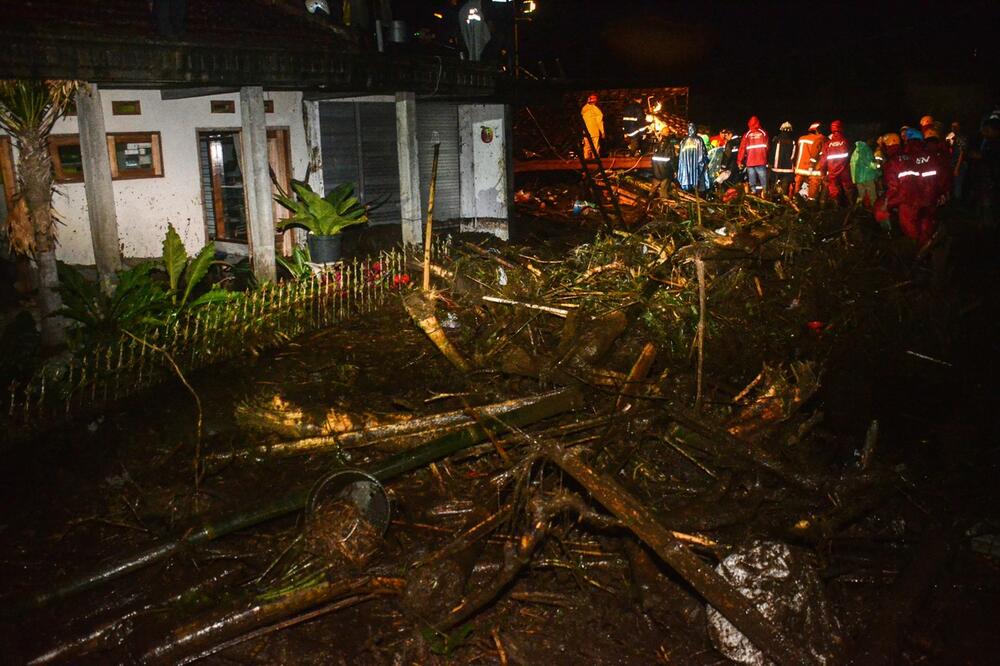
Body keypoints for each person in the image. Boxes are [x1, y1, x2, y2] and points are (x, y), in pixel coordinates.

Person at [884, 128, 937, 245]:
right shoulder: (929, 156)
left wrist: (890, 202)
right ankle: (927, 248)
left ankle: (917, 250)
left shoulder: (904, 157)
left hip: (910, 199)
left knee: (910, 227)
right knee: (926, 224)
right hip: (929, 198)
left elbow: (899, 184)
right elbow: (936, 178)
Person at [818, 119, 853, 205]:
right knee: (848, 189)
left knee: (834, 190)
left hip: (832, 171)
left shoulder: (828, 144)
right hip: (845, 170)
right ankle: (851, 207)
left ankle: (836, 208)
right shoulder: (846, 142)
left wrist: (822, 173)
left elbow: (823, 160)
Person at [737, 116, 769, 196]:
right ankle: (764, 193)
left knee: (752, 180)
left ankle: (753, 193)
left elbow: (742, 148)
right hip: (761, 160)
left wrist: (739, 161)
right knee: (763, 179)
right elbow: (767, 147)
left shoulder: (747, 134)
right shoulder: (763, 133)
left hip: (750, 162)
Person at [793, 122, 826, 200]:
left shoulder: (801, 138)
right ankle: (810, 203)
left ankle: (795, 200)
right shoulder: (819, 139)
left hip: (800, 167)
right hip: (814, 168)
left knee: (798, 185)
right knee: (813, 186)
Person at [677, 122, 708, 194]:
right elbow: (703, 155)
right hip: (696, 173)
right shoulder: (699, 140)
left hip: (685, 174)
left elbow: (680, 158)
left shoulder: (683, 141)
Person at [850, 139, 880, 208]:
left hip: (858, 177)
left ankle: (857, 209)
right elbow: (867, 161)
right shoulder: (865, 148)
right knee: (872, 194)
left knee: (861, 195)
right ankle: (874, 209)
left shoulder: (856, 150)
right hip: (867, 176)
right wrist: (876, 166)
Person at [770, 121, 797, 197]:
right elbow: (794, 155)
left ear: (781, 129)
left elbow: (772, 152)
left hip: (776, 169)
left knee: (773, 188)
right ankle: (783, 203)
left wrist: (770, 163)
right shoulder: (793, 142)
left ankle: (773, 201)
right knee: (784, 192)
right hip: (788, 170)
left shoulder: (776, 140)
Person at [651, 130, 679, 197]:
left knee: (652, 190)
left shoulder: (655, 146)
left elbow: (652, 161)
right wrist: (675, 171)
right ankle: (663, 204)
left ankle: (648, 201)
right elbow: (672, 161)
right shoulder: (670, 147)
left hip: (656, 172)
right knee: (663, 192)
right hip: (665, 174)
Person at [945, 121, 968, 200]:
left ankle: (957, 203)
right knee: (951, 183)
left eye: (956, 126)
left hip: (959, 164)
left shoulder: (961, 138)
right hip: (951, 163)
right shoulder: (950, 136)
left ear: (959, 128)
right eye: (952, 126)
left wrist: (957, 168)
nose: (954, 128)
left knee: (958, 184)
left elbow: (962, 153)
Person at [580, 94, 604, 160]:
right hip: (594, 131)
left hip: (585, 132)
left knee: (587, 147)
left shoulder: (584, 109)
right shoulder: (596, 110)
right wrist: (602, 132)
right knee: (595, 147)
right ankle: (595, 160)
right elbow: (599, 122)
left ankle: (586, 160)